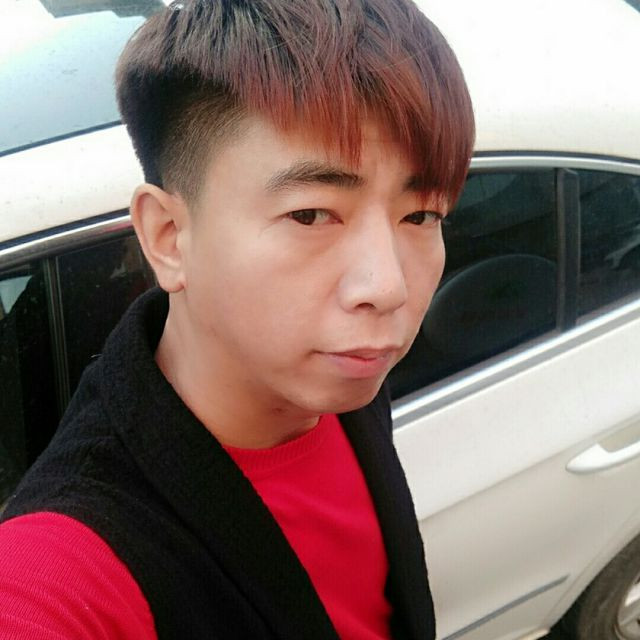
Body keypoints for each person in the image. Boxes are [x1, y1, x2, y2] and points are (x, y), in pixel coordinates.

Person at [0, 0, 474, 638]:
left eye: (421, 215)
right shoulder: (70, 563)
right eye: (310, 215)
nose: (387, 287)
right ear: (169, 236)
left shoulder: (339, 378)